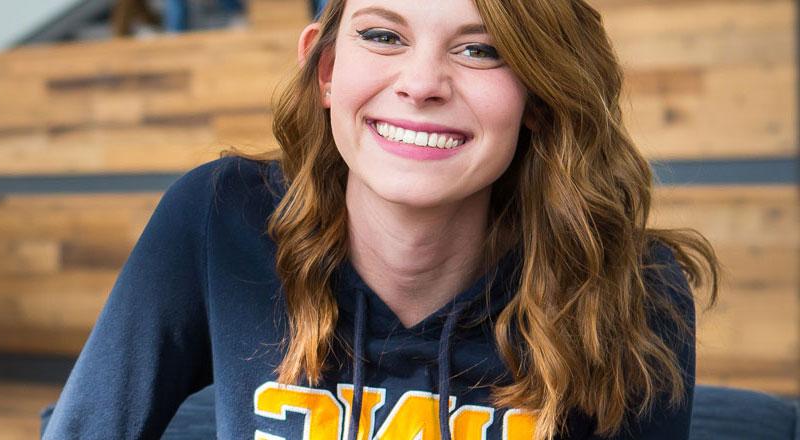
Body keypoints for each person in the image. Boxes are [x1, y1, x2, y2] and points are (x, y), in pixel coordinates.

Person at [44, 0, 719, 439]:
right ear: (327, 68)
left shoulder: (631, 284)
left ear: (538, 96)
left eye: (479, 49)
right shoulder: (221, 218)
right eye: (383, 35)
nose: (421, 82)